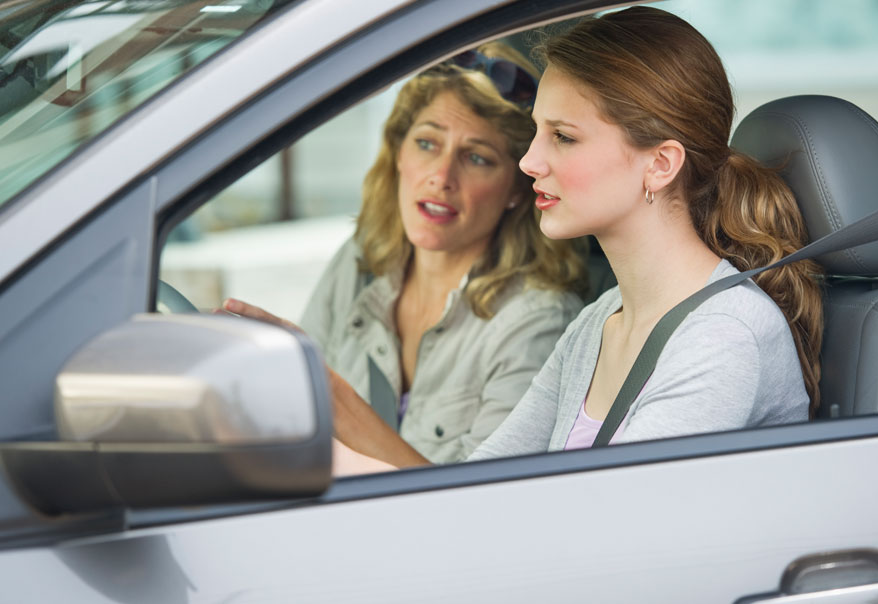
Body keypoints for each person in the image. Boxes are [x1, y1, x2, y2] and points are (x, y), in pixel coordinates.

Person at [331, 6, 823, 468]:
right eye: (537, 132)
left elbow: (607, 527)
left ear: (660, 164)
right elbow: (479, 486)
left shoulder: (722, 336)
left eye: (563, 137)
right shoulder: (599, 322)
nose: (529, 162)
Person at [223, 42, 588, 465]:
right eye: (427, 144)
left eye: (476, 158)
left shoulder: (537, 320)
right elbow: (294, 418)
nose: (441, 177)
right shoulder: (361, 262)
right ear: (399, 154)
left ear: (515, 190)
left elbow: (478, 511)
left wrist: (336, 399)